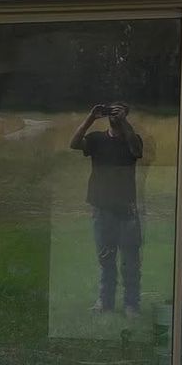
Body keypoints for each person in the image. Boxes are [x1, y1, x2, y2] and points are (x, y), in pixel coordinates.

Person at [69, 102, 144, 315]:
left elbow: (137, 152)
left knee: (130, 260)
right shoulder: (96, 139)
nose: (114, 114)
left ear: (127, 114)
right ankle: (105, 302)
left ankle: (131, 305)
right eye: (112, 110)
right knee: (105, 258)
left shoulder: (132, 139)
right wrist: (91, 118)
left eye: (119, 110)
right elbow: (74, 144)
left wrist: (125, 123)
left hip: (127, 208)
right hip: (102, 206)